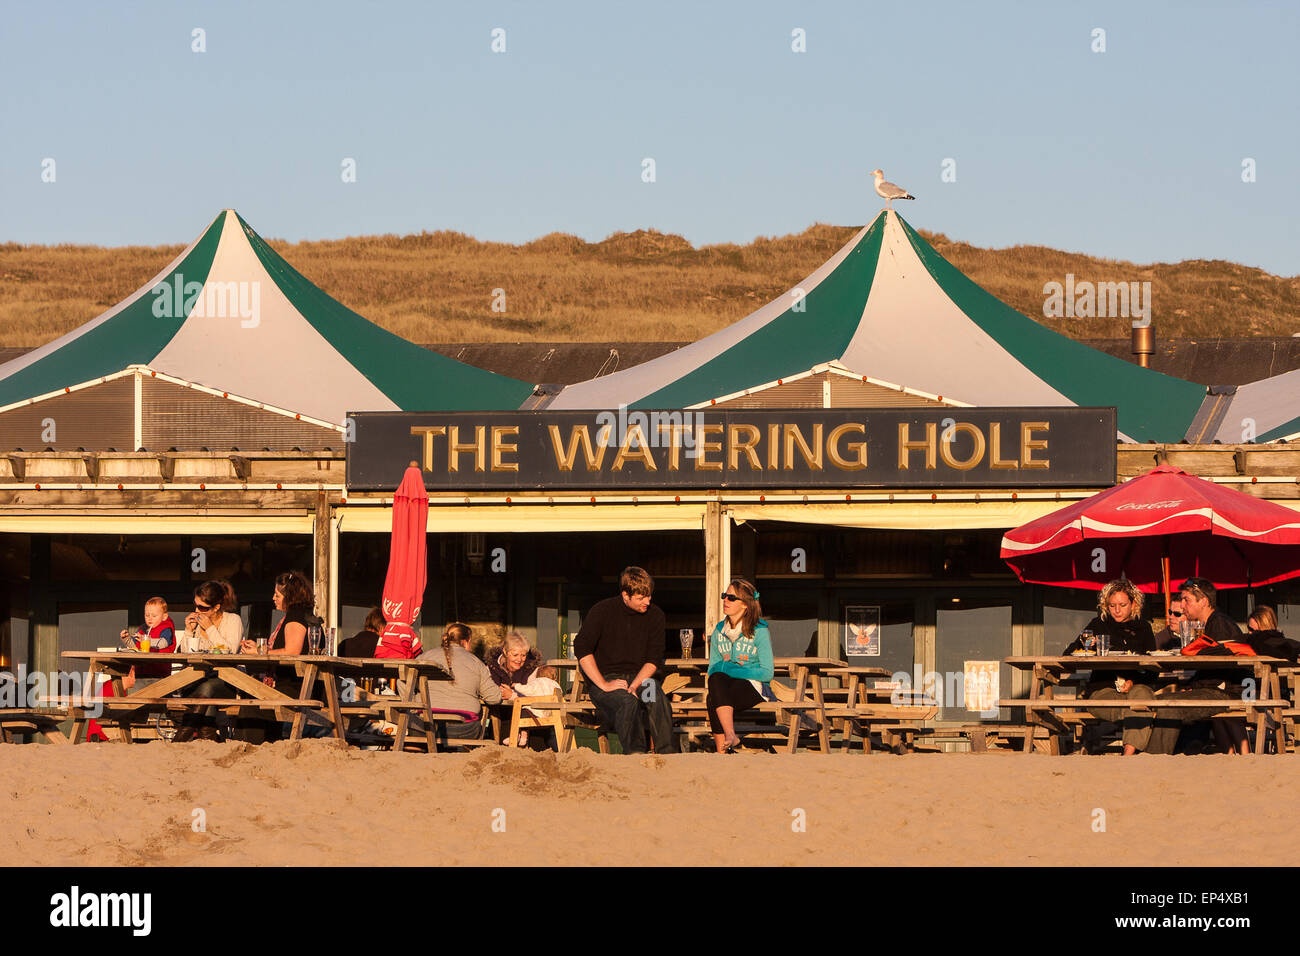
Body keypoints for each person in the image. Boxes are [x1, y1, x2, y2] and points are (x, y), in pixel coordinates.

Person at [1064, 579, 1178, 756]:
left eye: (1122, 605)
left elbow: (1153, 668)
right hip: (1103, 689)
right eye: (1112, 605)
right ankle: (1130, 749)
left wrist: (1133, 681)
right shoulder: (1097, 624)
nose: (1117, 610)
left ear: (1133, 604)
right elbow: (1068, 654)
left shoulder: (1143, 628)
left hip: (1136, 687)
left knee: (1142, 697)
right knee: (1140, 708)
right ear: (1105, 605)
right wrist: (1087, 645)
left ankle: (1128, 754)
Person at [573, 566, 677, 754]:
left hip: (641, 679)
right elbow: (582, 648)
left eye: (649, 596)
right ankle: (635, 755)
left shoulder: (656, 615)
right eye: (641, 598)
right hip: (607, 679)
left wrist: (635, 685)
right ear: (625, 595)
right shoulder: (602, 610)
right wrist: (604, 684)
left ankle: (668, 755)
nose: (647, 601)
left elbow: (653, 659)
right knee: (627, 701)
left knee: (656, 696)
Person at [232, 571, 312, 744]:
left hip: (294, 689)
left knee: (251, 706)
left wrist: (260, 653)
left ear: (289, 596)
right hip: (298, 686)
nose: (273, 598)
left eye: (277, 594)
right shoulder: (301, 615)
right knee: (251, 699)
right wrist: (259, 648)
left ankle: (249, 751)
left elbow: (292, 652)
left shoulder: (295, 618)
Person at [1177, 577, 1251, 754]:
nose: (1181, 606)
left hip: (1240, 689)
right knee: (1215, 714)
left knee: (1177, 706)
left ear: (1203, 601)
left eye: (1186, 599)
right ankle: (1231, 755)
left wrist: (1194, 685)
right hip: (1235, 686)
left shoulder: (1219, 624)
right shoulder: (1213, 622)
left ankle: (1245, 756)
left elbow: (1223, 665)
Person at [706, 578, 774, 753]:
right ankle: (728, 741)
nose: (725, 600)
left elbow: (767, 673)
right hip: (725, 687)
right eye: (724, 596)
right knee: (714, 687)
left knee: (715, 692)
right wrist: (724, 670)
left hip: (754, 687)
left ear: (745, 605)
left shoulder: (760, 631)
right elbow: (713, 668)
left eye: (731, 598)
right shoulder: (719, 631)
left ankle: (724, 746)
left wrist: (732, 669)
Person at [173, 581, 244, 743]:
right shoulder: (197, 624)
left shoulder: (233, 620)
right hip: (196, 680)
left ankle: (180, 740)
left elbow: (230, 651)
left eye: (203, 608)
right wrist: (189, 631)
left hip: (226, 681)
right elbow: (185, 655)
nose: (197, 611)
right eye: (196, 606)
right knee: (207, 697)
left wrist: (210, 628)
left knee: (208, 687)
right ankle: (208, 745)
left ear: (217, 607)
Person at [414, 623, 502, 746]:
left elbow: (402, 683)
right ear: (466, 642)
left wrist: (413, 700)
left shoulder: (425, 657)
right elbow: (494, 698)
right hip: (464, 729)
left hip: (424, 725)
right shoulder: (476, 662)